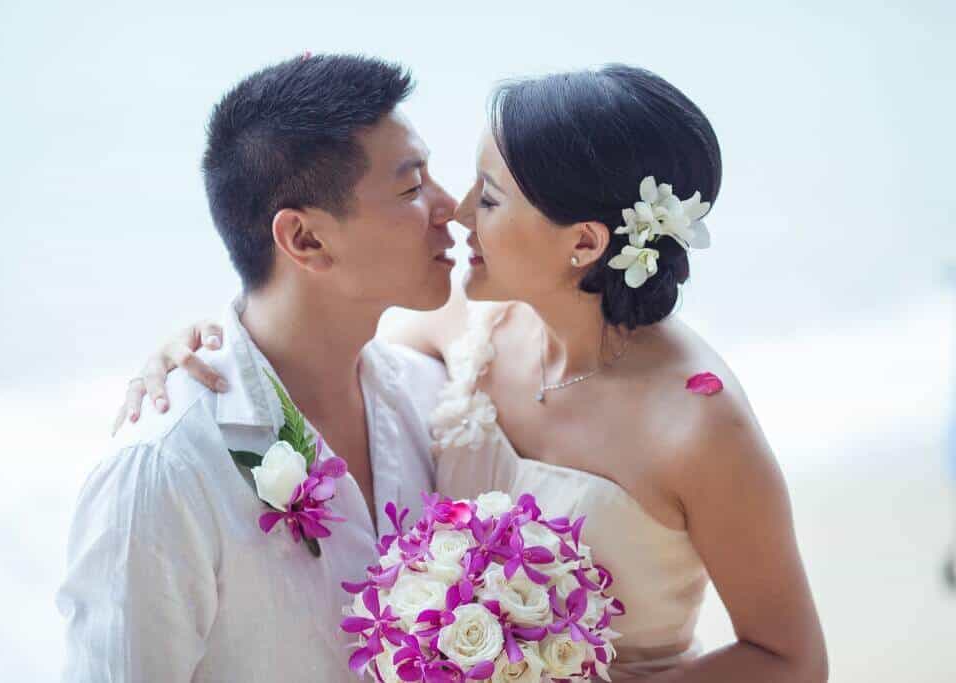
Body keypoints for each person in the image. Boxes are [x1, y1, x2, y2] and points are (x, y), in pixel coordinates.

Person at [119, 65, 829, 680]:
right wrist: (199, 346)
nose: (456, 212)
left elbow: (790, 658)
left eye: (488, 197)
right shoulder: (459, 331)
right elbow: (322, 346)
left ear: (583, 242)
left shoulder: (700, 424)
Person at [58, 53, 458, 681]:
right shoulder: (163, 469)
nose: (450, 206)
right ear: (305, 240)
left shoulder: (435, 396)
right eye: (411, 188)